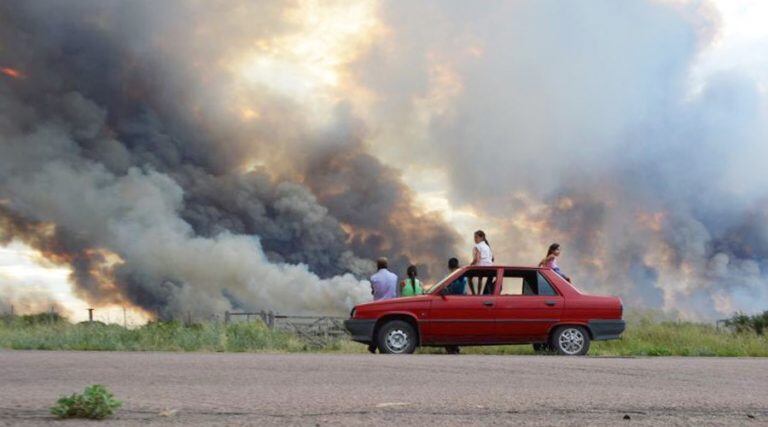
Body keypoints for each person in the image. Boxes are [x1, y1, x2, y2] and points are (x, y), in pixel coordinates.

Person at [470, 230, 494, 294]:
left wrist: (471, 265)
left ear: (481, 238)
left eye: (476, 237)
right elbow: (492, 258)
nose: (475, 239)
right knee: (480, 278)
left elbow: (476, 259)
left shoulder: (477, 246)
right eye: (474, 237)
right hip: (490, 267)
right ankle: (478, 293)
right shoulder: (487, 246)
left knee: (469, 277)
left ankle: (474, 293)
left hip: (482, 266)